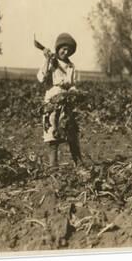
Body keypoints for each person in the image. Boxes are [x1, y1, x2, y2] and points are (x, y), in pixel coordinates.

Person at [37, 33, 83, 168]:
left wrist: (75, 92)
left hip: (67, 103)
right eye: (63, 48)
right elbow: (41, 78)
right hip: (52, 101)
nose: (65, 52)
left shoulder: (71, 66)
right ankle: (53, 166)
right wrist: (47, 61)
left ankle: (78, 164)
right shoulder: (52, 62)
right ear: (58, 48)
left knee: (71, 132)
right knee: (53, 134)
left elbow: (73, 83)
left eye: (68, 50)